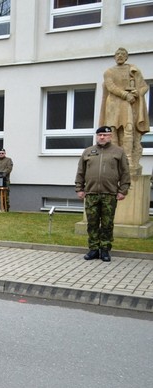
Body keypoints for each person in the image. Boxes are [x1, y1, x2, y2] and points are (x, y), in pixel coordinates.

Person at [75, 126, 131, 262]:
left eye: (105, 135)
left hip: (110, 194)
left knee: (107, 223)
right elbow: (80, 172)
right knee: (92, 223)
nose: (102, 137)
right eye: (99, 135)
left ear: (110, 136)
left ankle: (105, 250)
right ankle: (93, 249)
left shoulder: (118, 152)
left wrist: (123, 190)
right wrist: (80, 189)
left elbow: (125, 172)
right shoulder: (88, 152)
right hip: (91, 193)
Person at [99, 47, 149, 175]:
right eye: (117, 54)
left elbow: (144, 86)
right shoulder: (109, 72)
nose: (120, 56)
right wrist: (125, 95)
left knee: (128, 130)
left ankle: (128, 160)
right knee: (112, 131)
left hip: (128, 105)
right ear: (114, 57)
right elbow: (111, 87)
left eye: (123, 54)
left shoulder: (134, 70)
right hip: (114, 105)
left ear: (126, 57)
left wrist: (137, 92)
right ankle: (113, 159)